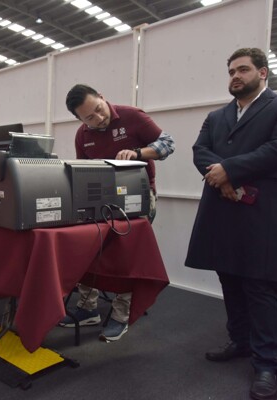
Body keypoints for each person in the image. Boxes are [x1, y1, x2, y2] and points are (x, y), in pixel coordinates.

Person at [185, 48, 277, 400]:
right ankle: (239, 341)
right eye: (231, 71)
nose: (235, 76)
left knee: (259, 286)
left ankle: (267, 363)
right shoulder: (217, 115)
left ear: (263, 73)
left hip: (260, 212)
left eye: (243, 69)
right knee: (230, 279)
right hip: (221, 208)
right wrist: (222, 178)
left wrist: (231, 170)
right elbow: (199, 150)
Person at [59, 84, 175, 342]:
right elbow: (82, 169)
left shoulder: (133, 116)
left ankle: (121, 314)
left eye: (99, 109)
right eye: (89, 117)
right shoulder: (82, 135)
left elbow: (168, 144)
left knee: (129, 255)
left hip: (139, 197)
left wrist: (137, 153)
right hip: (100, 200)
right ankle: (87, 307)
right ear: (80, 119)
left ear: (102, 97)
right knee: (89, 250)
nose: (99, 118)